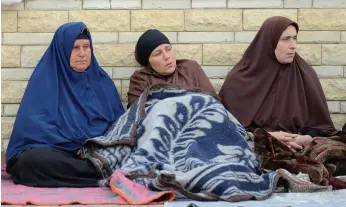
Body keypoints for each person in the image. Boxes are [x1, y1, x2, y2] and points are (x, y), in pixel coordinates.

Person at [5, 22, 125, 187]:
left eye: (86, 46)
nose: (82, 54)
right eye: (75, 48)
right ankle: (102, 174)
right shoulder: (45, 80)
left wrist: (93, 146)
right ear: (62, 51)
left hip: (94, 153)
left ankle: (97, 172)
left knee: (126, 154)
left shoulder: (102, 83)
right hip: (56, 151)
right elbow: (33, 127)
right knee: (29, 163)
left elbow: (119, 126)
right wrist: (74, 144)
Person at [218, 16, 337, 151]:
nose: (293, 45)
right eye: (286, 39)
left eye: (295, 38)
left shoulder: (305, 74)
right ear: (269, 42)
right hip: (256, 148)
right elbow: (226, 130)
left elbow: (323, 127)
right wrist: (266, 137)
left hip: (300, 147)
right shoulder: (240, 79)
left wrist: (306, 138)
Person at [127, 29, 217, 108]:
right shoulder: (140, 79)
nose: (167, 56)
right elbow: (135, 114)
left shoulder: (190, 68)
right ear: (148, 62)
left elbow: (214, 103)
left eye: (168, 49)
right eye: (158, 53)